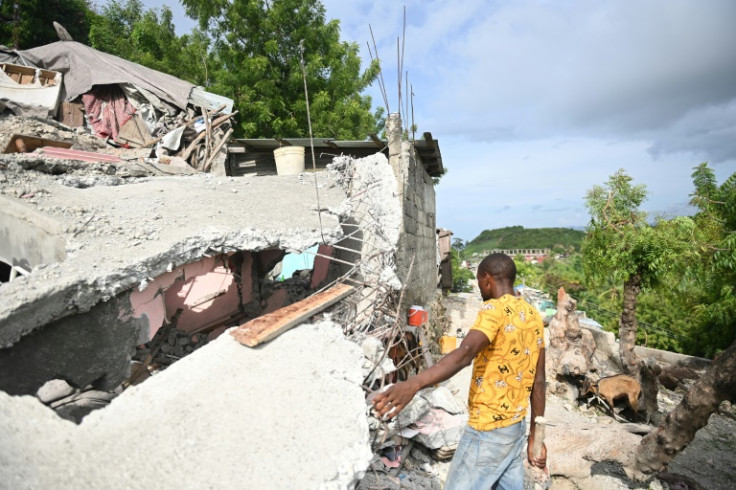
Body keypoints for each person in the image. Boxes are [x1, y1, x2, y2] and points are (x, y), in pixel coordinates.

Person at [373, 253, 547, 490]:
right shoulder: (533, 316)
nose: (480, 288)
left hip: (487, 430)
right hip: (515, 427)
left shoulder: (494, 310)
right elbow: (539, 381)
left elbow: (465, 352)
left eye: (478, 281)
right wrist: (536, 434)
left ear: (486, 279)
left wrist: (412, 384)